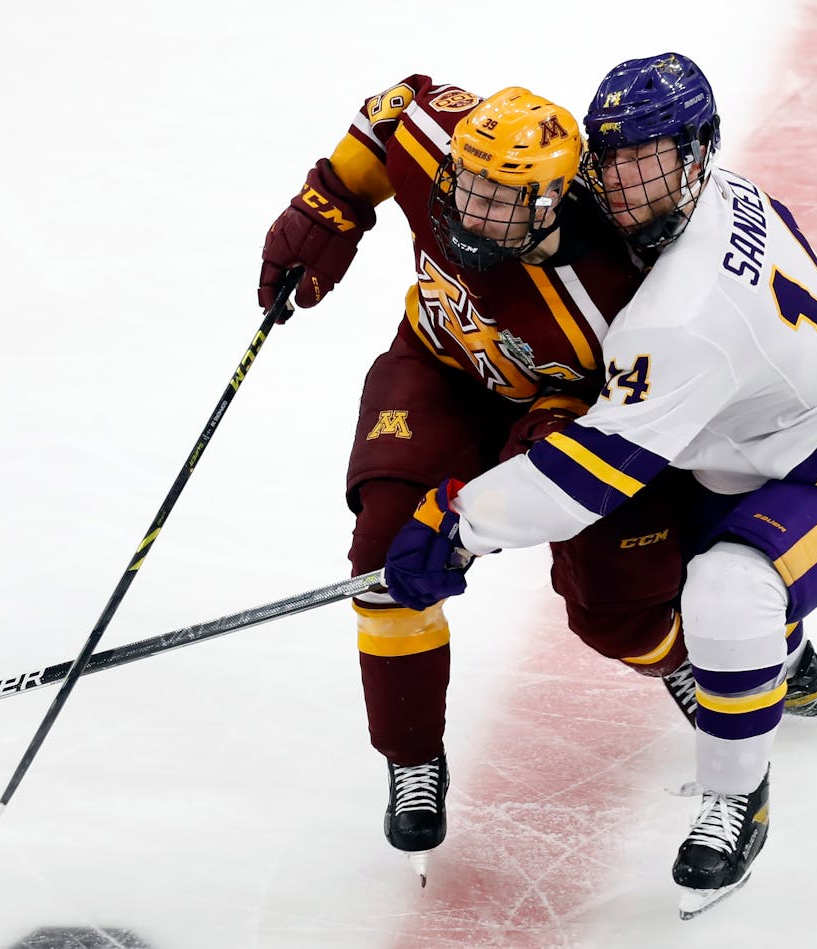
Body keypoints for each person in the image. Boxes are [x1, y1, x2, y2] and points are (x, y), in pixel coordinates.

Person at [380, 52, 817, 918]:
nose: (625, 183)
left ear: (697, 152)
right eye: (613, 155)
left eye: (650, 158)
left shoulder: (682, 316)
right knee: (659, 590)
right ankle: (786, 662)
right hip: (739, 437)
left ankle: (738, 795)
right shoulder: (712, 193)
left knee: (728, 590)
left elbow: (593, 473)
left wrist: (458, 521)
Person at [256, 80, 697, 883]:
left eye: (500, 200)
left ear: (552, 203)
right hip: (434, 366)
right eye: (467, 184)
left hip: (553, 425)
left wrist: (485, 498)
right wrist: (327, 208)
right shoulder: (438, 142)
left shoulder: (609, 297)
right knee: (383, 561)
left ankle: (682, 659)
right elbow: (392, 108)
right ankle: (412, 756)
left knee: (618, 605)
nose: (469, 209)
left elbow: (604, 418)